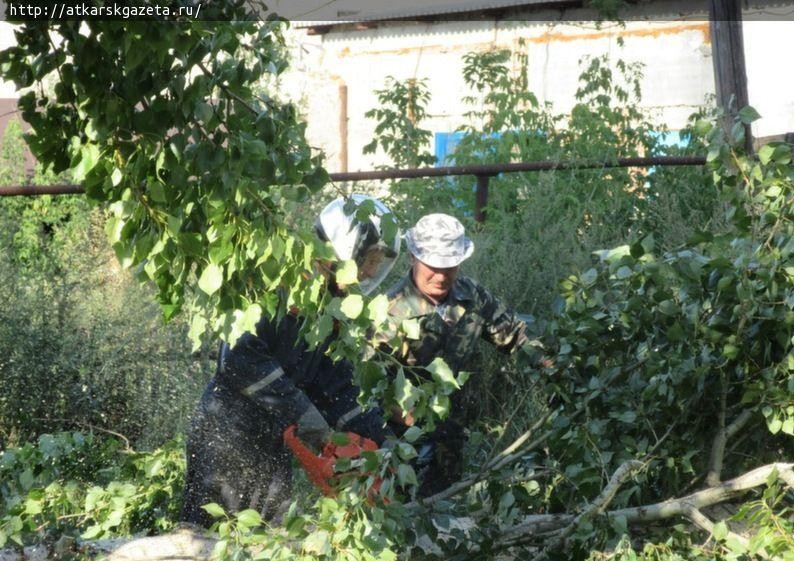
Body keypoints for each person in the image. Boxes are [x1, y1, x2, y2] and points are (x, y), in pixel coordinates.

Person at [181, 196, 400, 526]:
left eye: (377, 264)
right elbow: (238, 359)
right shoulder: (276, 285)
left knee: (270, 538)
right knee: (206, 541)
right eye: (369, 260)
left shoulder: (331, 308)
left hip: (273, 439)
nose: (370, 272)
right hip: (226, 433)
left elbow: (333, 383)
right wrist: (302, 412)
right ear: (341, 251)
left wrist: (380, 439)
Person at [379, 213, 548, 496]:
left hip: (452, 436)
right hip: (403, 440)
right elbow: (368, 386)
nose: (442, 275)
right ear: (413, 258)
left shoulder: (471, 296)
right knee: (404, 514)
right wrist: (404, 416)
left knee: (444, 513)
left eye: (450, 266)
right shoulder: (389, 311)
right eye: (433, 266)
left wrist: (547, 362)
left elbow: (514, 335)